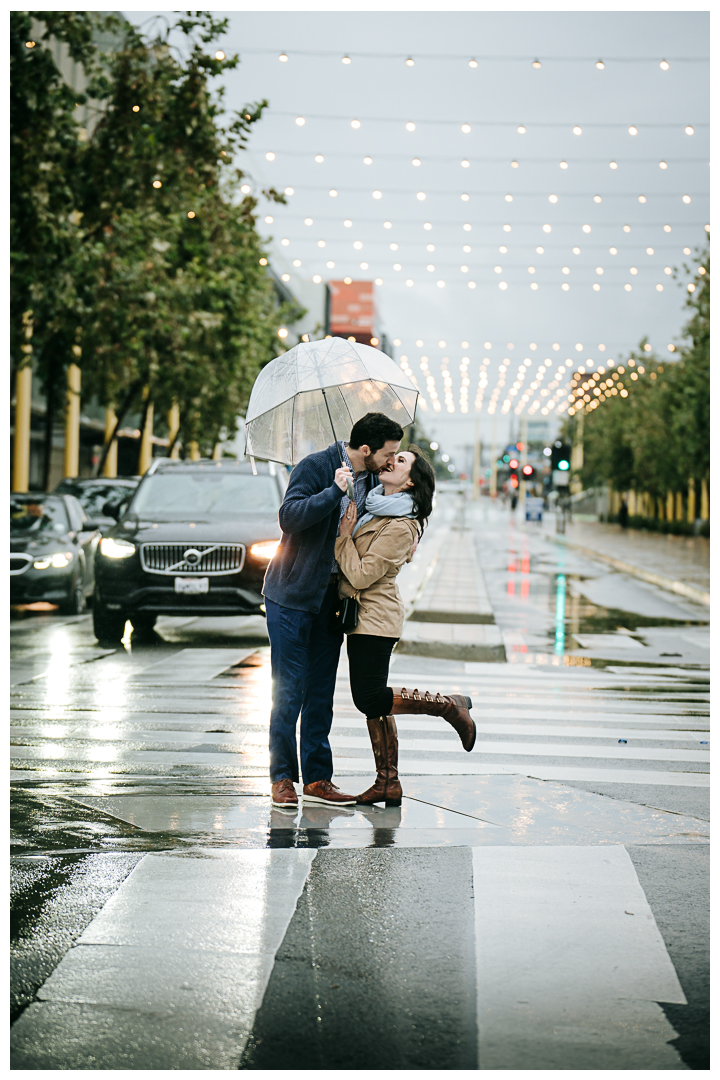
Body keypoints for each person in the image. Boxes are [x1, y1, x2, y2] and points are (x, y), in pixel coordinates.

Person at [263, 411, 405, 810]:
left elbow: (388, 522)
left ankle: (318, 778)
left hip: (332, 600)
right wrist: (332, 493)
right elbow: (288, 518)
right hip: (290, 596)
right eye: (388, 453)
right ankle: (282, 778)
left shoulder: (376, 482)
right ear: (366, 450)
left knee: (321, 692)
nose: (391, 461)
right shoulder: (317, 466)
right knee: (289, 691)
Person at [334, 445, 476, 808]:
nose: (391, 461)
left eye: (400, 461)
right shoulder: (376, 506)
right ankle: (387, 782)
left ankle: (447, 706)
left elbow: (362, 574)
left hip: (376, 618)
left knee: (368, 697)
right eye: (393, 457)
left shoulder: (402, 524)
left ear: (410, 480)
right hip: (362, 616)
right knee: (373, 704)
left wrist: (343, 537)